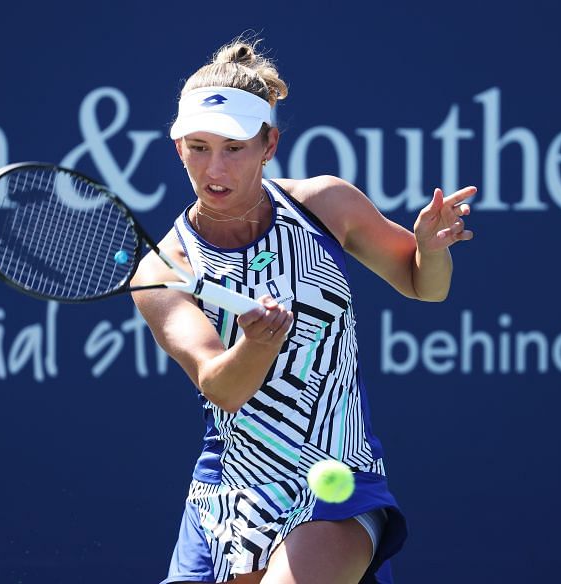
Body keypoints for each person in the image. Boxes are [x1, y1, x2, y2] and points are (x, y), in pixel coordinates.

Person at [132, 37, 475, 584]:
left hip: (333, 476)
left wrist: (430, 253)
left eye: (234, 148)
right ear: (178, 148)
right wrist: (258, 344)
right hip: (227, 490)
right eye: (197, 147)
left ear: (269, 145)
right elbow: (221, 386)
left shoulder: (326, 205)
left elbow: (422, 285)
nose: (213, 168)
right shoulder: (161, 269)